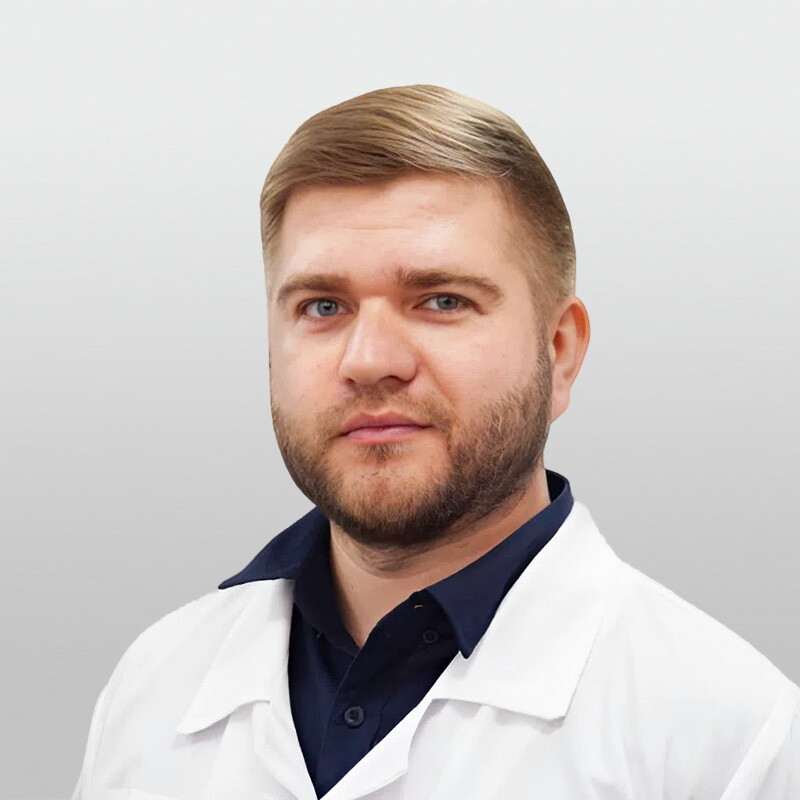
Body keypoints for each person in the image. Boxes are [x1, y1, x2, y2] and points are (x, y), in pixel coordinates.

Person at [71, 85, 799, 800]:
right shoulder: (154, 686)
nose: (369, 361)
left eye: (442, 300)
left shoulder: (732, 738)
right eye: (322, 306)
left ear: (559, 352)